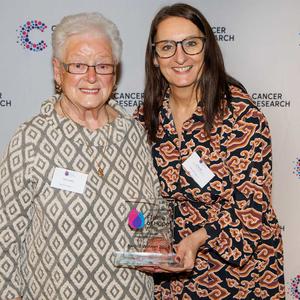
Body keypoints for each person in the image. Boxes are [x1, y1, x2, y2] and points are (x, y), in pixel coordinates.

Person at [0, 12, 160, 300]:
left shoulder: (133, 133)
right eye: (77, 65)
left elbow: (151, 210)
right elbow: (5, 236)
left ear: (115, 71)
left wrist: (158, 239)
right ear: (58, 71)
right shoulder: (31, 138)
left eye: (102, 65)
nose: (91, 76)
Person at [135, 3, 285, 299]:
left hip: (240, 279)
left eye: (190, 44)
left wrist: (198, 239)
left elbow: (252, 209)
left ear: (207, 48)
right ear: (154, 57)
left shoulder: (241, 116)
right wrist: (156, 238)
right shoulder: (145, 118)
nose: (180, 57)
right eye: (167, 47)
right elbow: (147, 194)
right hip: (173, 278)